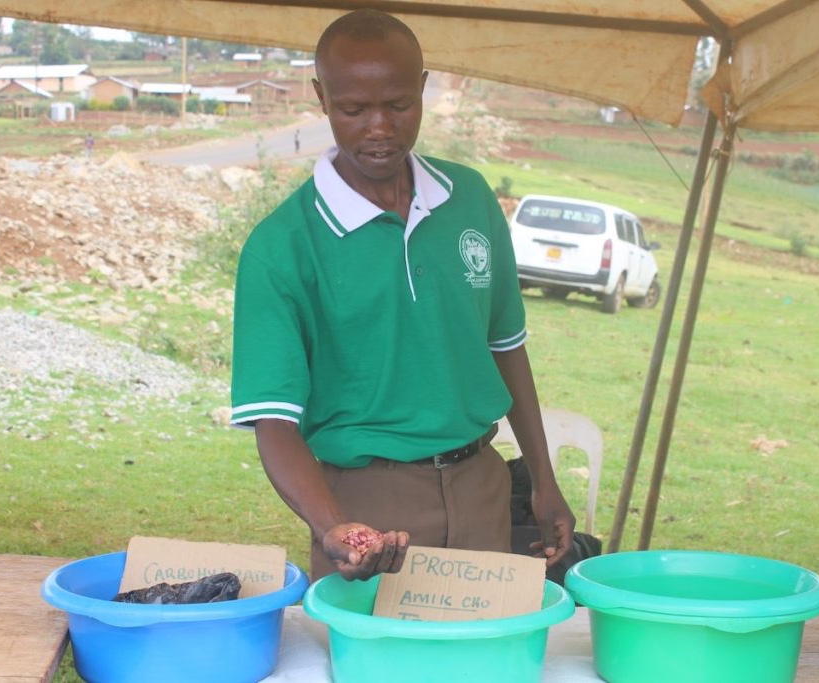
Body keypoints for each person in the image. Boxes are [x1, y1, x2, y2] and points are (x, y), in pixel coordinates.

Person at [230, 8, 575, 581]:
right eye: (353, 109)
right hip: (367, 507)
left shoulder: (470, 199)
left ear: (423, 87)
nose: (379, 128)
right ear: (321, 97)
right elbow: (275, 424)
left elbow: (505, 347)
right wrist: (333, 526)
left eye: (398, 104)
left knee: (482, 642)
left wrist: (543, 480)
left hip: (481, 488)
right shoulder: (281, 247)